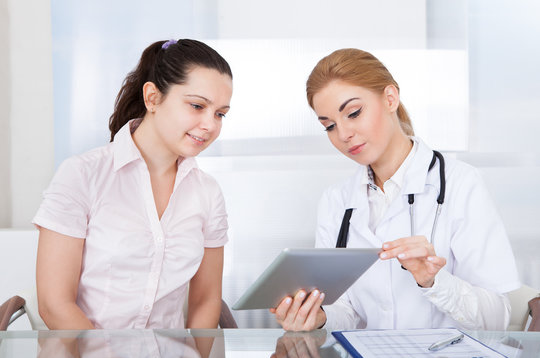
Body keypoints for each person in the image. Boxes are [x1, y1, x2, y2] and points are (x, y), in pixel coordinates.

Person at [271, 48, 521, 331]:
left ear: (390, 98)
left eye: (353, 113)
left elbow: (498, 317)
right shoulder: (336, 201)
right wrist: (321, 318)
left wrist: (434, 280)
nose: (343, 135)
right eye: (329, 126)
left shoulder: (461, 184)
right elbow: (348, 311)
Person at [34, 39, 233, 331]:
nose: (210, 125)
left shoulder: (207, 192)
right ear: (152, 98)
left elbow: (205, 301)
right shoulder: (82, 175)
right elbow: (55, 305)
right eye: (196, 106)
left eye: (220, 114)